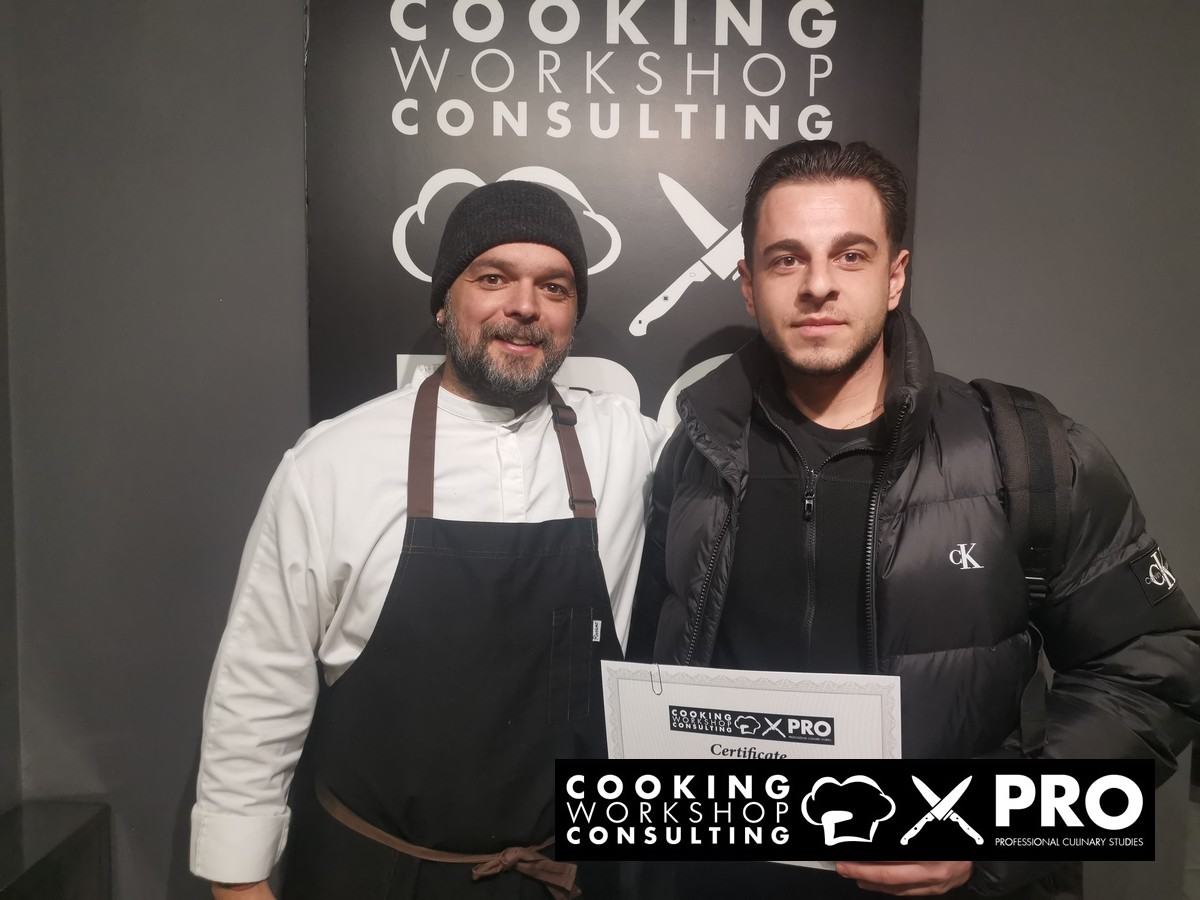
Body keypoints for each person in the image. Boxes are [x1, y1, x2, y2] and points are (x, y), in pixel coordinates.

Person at [629, 140, 1200, 899]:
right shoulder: (692, 455)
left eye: (851, 255)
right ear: (749, 286)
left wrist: (988, 827)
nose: (819, 285)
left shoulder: (1025, 451)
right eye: (787, 259)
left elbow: (1156, 668)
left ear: (895, 276)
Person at [190, 181, 664, 899]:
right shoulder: (334, 461)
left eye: (554, 286)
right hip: (374, 876)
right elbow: (260, 677)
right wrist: (237, 880)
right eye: (493, 277)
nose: (525, 306)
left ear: (573, 315)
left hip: (561, 878)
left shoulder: (630, 446)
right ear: (444, 302)